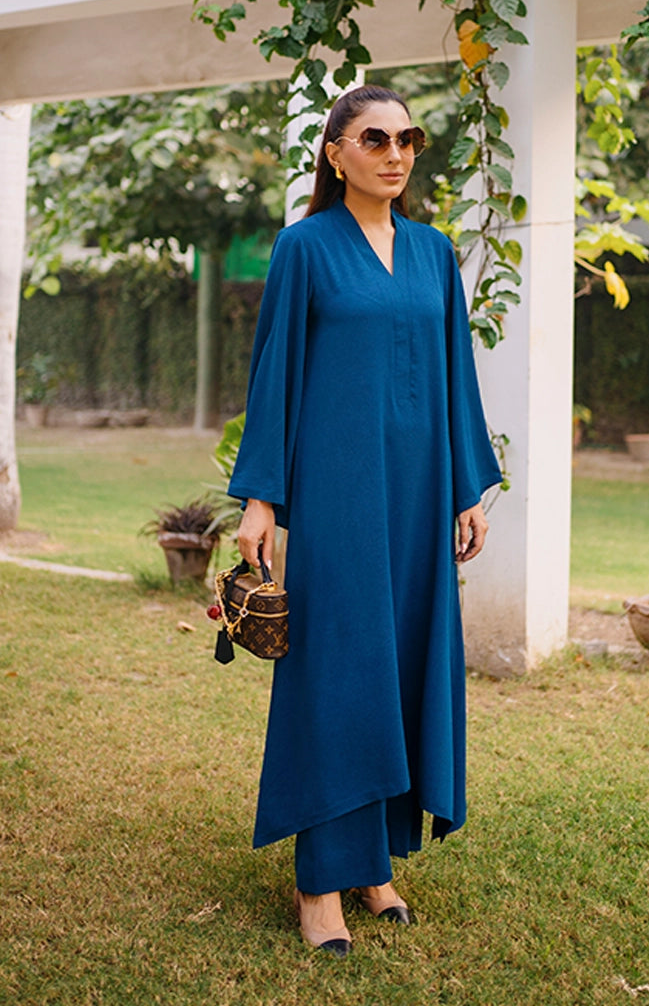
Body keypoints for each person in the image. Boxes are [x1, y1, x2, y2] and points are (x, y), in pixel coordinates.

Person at [228, 84, 503, 957]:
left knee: (405, 662)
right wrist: (262, 499)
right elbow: (275, 375)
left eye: (407, 138)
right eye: (375, 138)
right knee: (340, 669)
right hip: (339, 495)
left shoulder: (433, 252)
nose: (395, 153)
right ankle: (321, 882)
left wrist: (467, 488)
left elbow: (456, 374)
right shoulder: (304, 248)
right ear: (336, 153)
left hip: (419, 494)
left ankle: (376, 861)